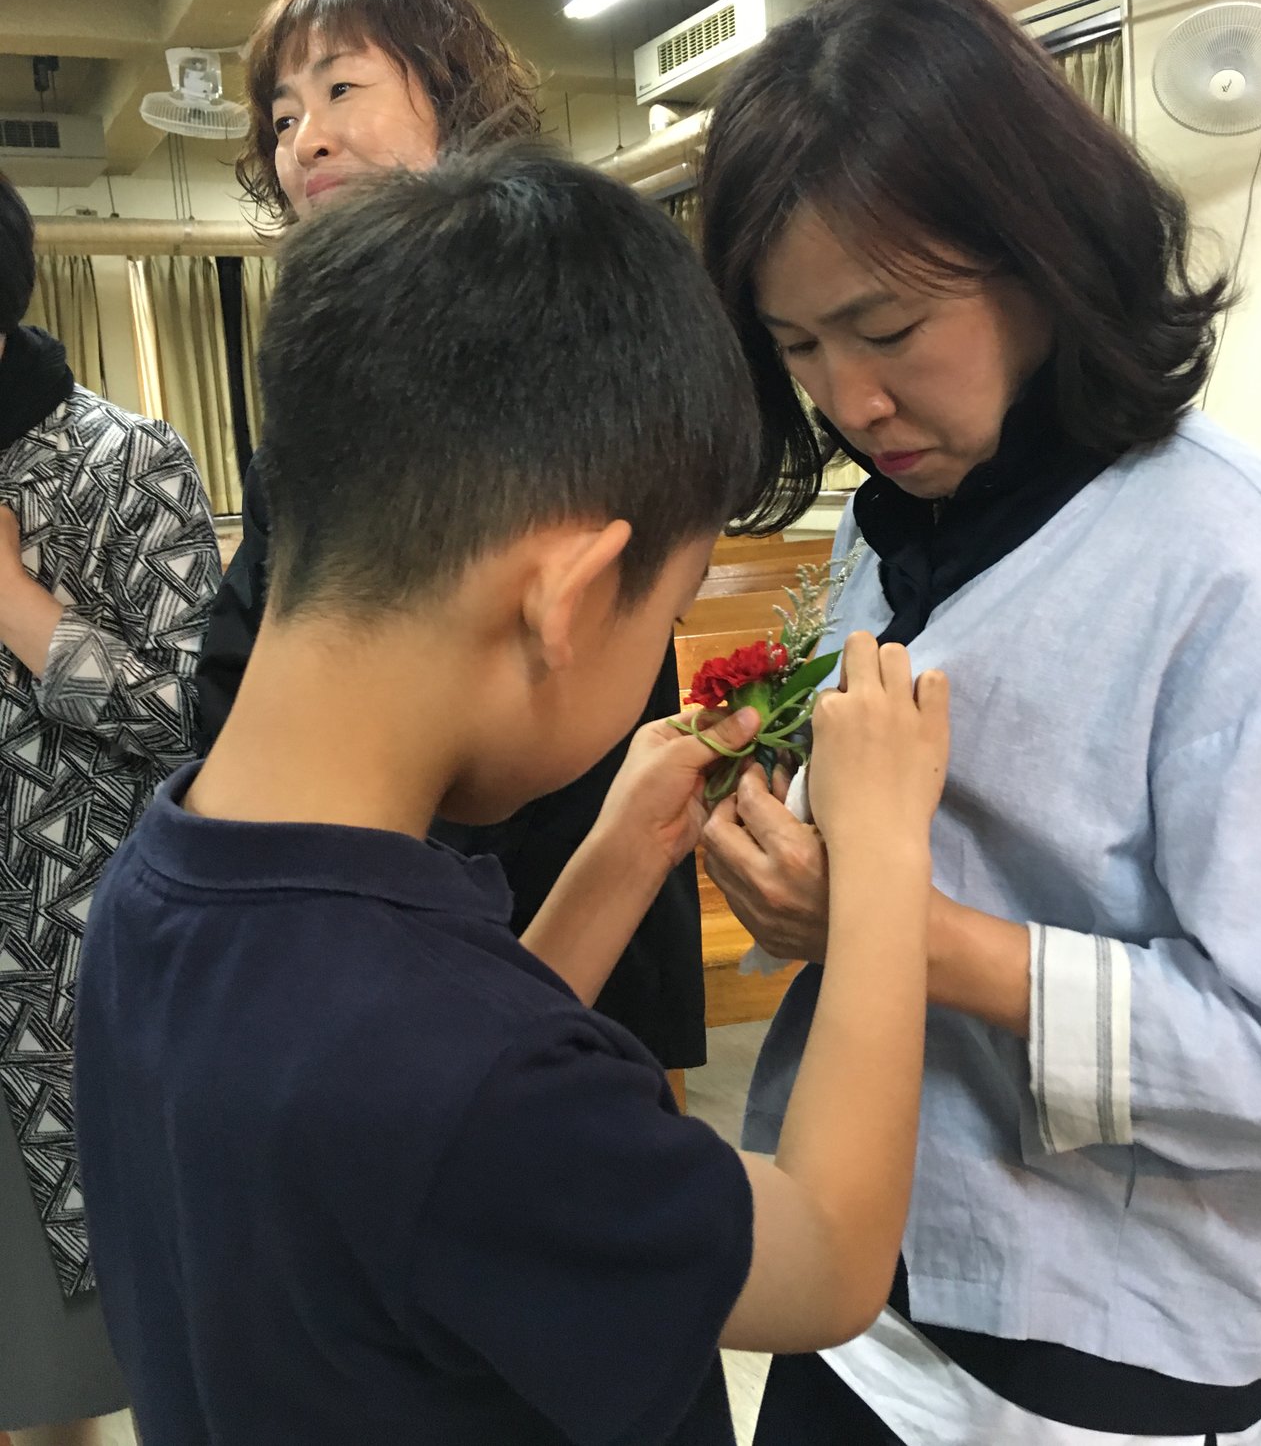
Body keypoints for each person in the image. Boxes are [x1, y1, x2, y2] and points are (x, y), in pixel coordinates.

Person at [74, 151, 949, 1445]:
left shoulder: (159, 889)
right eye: (668, 609)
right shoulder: (480, 1085)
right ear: (570, 600)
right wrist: (880, 857)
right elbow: (825, 1255)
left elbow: (408, 1142)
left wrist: (617, 856)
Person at [697, 0, 1261, 1446]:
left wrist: (902, 928)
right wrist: (793, 856)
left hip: (1097, 1335)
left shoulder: (1227, 566)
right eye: (799, 347)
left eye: (886, 327)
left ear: (1042, 259)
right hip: (861, 1285)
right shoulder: (886, 522)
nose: (852, 403)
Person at [200, 0, 707, 1072]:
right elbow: (249, 644)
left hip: (557, 805)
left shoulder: (565, 310)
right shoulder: (323, 368)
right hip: (369, 870)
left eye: (341, 88)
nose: (305, 140)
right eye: (282, 117)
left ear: (452, 97)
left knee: (581, 1094)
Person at [0, 174, 219, 1445]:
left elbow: (194, 715)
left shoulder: (124, 456)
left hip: (78, 978)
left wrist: (18, 609)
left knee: (127, 1345)